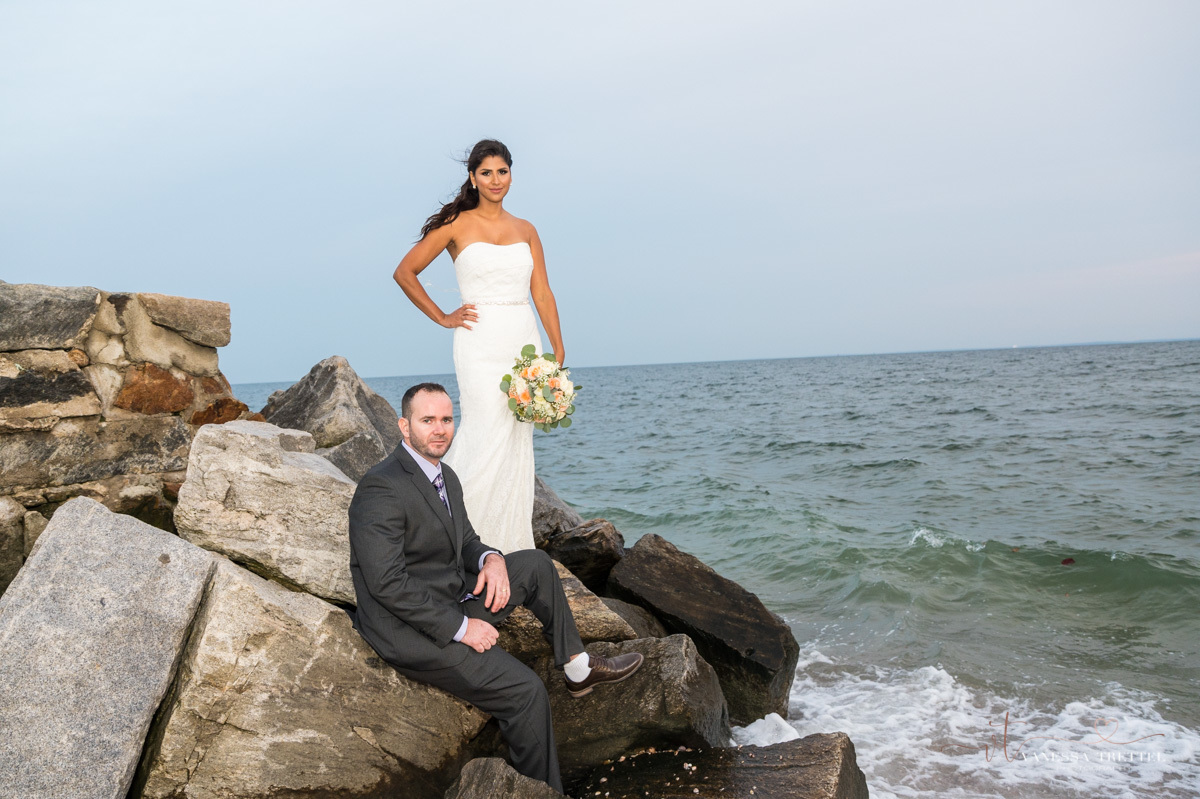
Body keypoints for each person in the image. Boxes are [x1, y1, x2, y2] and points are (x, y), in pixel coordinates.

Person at [348, 383, 642, 793]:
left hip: (448, 595)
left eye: (447, 420)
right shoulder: (381, 486)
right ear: (404, 425)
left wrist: (491, 559)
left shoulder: (444, 475)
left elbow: (466, 541)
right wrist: (461, 628)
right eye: (427, 420)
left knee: (535, 564)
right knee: (526, 692)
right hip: (409, 631)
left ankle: (577, 668)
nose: (439, 429)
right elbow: (385, 583)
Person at [393, 139, 562, 553]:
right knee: (485, 431)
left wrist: (557, 352)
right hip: (479, 340)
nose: (495, 180)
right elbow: (405, 272)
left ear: (511, 174)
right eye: (486, 173)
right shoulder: (456, 225)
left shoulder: (526, 230)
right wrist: (443, 316)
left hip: (523, 341)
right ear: (473, 177)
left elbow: (541, 292)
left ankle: (507, 545)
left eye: (502, 171)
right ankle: (447, 537)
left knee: (515, 440)